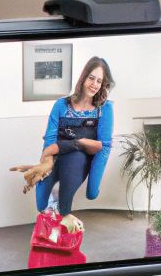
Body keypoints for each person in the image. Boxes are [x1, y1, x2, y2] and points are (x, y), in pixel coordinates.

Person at [12, 57, 115, 227]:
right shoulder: (61, 104)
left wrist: (93, 188)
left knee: (74, 158)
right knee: (42, 205)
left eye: (99, 81)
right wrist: (46, 162)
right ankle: (57, 215)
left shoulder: (104, 109)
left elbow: (103, 148)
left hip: (78, 161)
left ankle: (65, 213)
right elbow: (50, 139)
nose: (94, 84)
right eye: (91, 78)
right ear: (83, 77)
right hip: (56, 156)